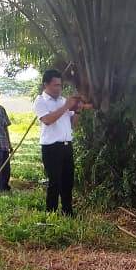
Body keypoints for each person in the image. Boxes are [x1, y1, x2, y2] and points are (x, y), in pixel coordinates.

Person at [34, 69, 91, 215]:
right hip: (51, 147)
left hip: (67, 146)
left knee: (68, 180)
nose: (59, 88)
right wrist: (66, 107)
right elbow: (47, 120)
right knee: (54, 182)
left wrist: (77, 111)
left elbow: (73, 124)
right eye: (55, 85)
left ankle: (67, 211)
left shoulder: (63, 100)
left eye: (60, 85)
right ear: (45, 85)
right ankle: (51, 212)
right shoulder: (40, 101)